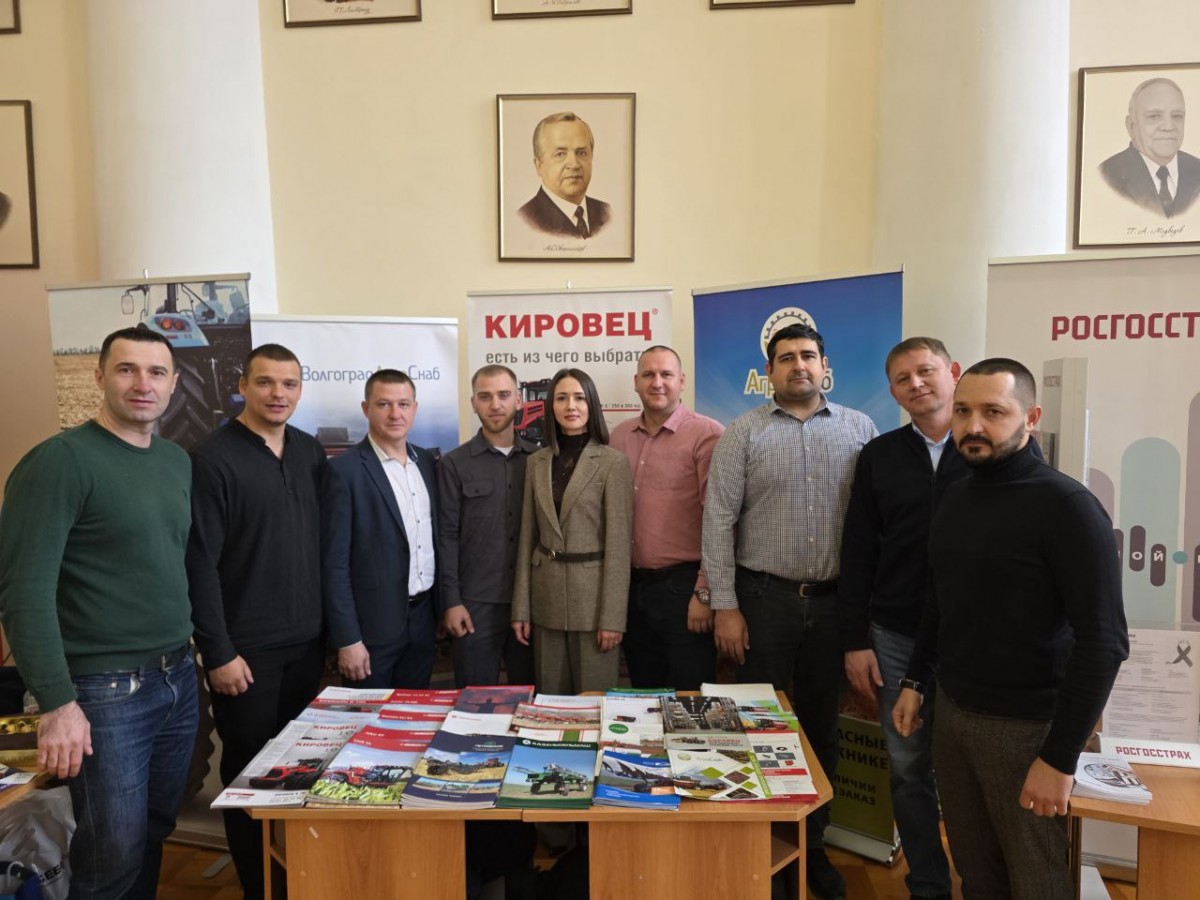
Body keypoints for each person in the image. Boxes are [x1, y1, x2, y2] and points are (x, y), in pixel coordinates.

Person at [894, 358, 1129, 900]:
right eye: (963, 412)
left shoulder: (1068, 507)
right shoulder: (957, 494)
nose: (973, 426)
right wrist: (915, 681)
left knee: (1037, 880)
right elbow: (939, 599)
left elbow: (1105, 643)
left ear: (1032, 417)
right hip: (955, 715)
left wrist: (1059, 757)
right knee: (977, 872)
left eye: (993, 412)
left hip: (1028, 730)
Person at [0, 327, 197, 899]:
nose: (143, 384)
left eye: (156, 372)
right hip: (104, 691)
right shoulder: (59, 462)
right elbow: (23, 592)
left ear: (174, 384)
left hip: (176, 677)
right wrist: (58, 704)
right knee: (109, 856)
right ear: (99, 377)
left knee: (153, 832)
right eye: (126, 369)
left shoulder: (175, 461)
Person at [703, 322, 877, 900]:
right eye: (785, 358)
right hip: (763, 602)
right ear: (769, 372)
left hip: (834, 607)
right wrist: (725, 605)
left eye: (807, 355)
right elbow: (718, 520)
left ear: (825, 365)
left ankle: (812, 845)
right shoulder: (743, 432)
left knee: (822, 729)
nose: (798, 365)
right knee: (757, 727)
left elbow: (875, 524)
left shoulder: (860, 429)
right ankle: (761, 844)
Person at [187, 343, 329, 899]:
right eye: (266, 382)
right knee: (249, 778)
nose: (278, 394)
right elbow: (199, 563)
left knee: (298, 772)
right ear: (243, 385)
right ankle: (259, 887)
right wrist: (218, 651)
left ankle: (297, 879)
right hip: (245, 655)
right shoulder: (212, 459)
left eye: (289, 384)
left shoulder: (308, 451)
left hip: (306, 647)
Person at [838, 337, 964, 900]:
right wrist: (855, 640)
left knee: (969, 770)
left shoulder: (988, 446)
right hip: (895, 635)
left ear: (953, 372)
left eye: (926, 371)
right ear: (891, 392)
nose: (916, 384)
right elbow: (859, 551)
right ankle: (928, 885)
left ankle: (981, 881)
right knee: (909, 767)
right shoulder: (879, 455)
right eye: (902, 378)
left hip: (971, 640)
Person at [609, 345, 724, 690]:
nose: (657, 382)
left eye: (666, 374)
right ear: (635, 382)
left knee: (690, 697)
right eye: (648, 374)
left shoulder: (708, 435)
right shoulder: (618, 437)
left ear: (682, 381)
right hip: (631, 590)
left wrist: (704, 593)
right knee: (643, 695)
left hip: (684, 590)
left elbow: (720, 521)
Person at [511, 368, 633, 693]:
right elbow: (527, 538)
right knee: (550, 703)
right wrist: (521, 608)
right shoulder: (536, 462)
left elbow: (619, 548)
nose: (570, 406)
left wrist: (612, 619)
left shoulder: (612, 463)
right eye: (562, 398)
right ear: (551, 406)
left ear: (592, 404)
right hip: (545, 600)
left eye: (579, 398)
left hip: (593, 606)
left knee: (594, 702)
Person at [326, 369, 440, 689]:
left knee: (413, 714)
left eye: (403, 404)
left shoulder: (427, 464)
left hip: (423, 622)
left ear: (414, 408)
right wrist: (348, 639)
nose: (395, 414)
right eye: (383, 404)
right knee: (367, 719)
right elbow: (334, 564)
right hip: (370, 633)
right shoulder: (343, 471)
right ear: (366, 408)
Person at [438, 365, 537, 687]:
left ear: (518, 400)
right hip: (473, 606)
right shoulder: (454, 464)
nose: (495, 404)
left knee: (529, 697)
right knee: (473, 700)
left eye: (504, 395)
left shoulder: (539, 460)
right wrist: (452, 601)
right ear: (473, 403)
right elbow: (446, 537)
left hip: (531, 604)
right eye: (485, 396)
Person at [1099, 77, 1200, 218]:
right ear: (1131, 126)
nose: (1168, 127)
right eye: (1154, 116)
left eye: (1177, 116)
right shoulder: (1106, 175)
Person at [518, 112, 612, 239]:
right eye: (560, 154)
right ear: (539, 165)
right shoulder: (526, 221)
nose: (574, 164)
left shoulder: (606, 213)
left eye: (581, 153)